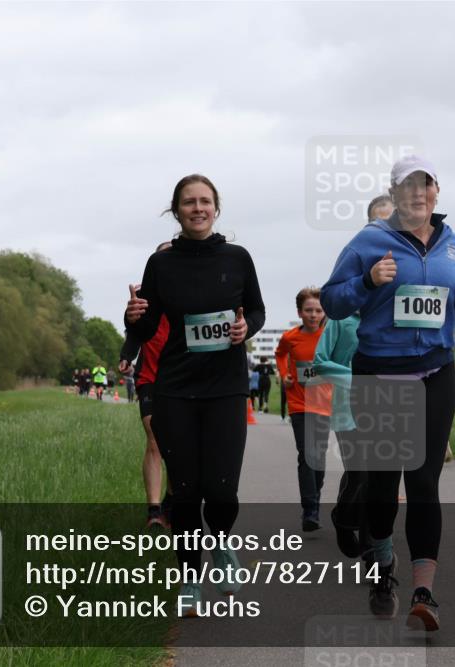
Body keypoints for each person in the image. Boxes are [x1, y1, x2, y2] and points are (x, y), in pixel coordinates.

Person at [320, 155, 455, 631]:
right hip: (381, 374)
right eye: (408, 185)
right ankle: (384, 561)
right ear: (394, 193)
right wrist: (367, 281)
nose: (418, 192)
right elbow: (332, 300)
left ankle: (424, 593)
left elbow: (449, 312)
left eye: (426, 184)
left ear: (436, 191)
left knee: (425, 482)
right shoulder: (369, 241)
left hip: (437, 373)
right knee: (384, 485)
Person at [125, 174, 265, 615]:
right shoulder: (161, 264)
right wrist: (132, 317)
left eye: (205, 201)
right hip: (176, 388)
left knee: (221, 490)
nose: (198, 208)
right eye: (189, 202)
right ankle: (189, 579)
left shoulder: (238, 258)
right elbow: (147, 325)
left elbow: (257, 309)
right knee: (185, 491)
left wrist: (246, 328)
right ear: (177, 210)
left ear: (216, 208)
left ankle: (220, 542)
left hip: (226, 387)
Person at [314, 195, 395, 564]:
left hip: (390, 402)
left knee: (381, 479)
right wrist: (358, 375)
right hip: (349, 406)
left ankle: (373, 548)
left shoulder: (396, 303)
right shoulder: (344, 311)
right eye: (380, 222)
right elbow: (320, 361)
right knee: (360, 474)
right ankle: (345, 517)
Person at [120, 241, 176, 530]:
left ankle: (170, 503)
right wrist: (127, 355)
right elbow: (134, 329)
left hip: (182, 378)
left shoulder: (193, 293)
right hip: (150, 376)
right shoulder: (144, 295)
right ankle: (154, 511)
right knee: (154, 439)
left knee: (179, 447)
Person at [274, 288, 334, 532]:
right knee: (307, 453)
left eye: (318, 310)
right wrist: (284, 375)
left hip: (324, 403)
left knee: (318, 456)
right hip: (299, 404)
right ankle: (310, 509)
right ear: (299, 312)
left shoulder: (330, 335)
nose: (313, 315)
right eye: (308, 310)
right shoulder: (290, 337)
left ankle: (314, 500)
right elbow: (280, 355)